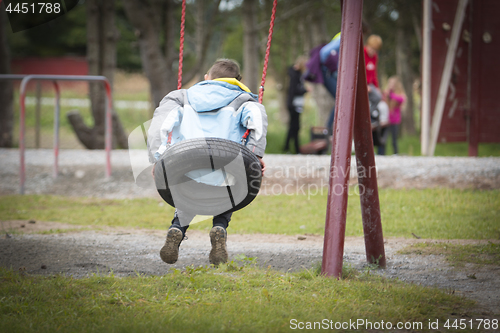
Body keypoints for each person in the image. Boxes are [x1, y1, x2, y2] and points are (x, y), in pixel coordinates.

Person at [147, 59, 268, 265]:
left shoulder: (181, 98)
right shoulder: (244, 101)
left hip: (185, 168)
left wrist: (158, 159)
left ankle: (176, 229)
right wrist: (254, 156)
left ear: (206, 78)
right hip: (226, 170)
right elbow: (257, 119)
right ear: (238, 80)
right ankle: (219, 227)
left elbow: (160, 126)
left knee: (186, 197)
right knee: (230, 192)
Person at [284, 56, 308, 154]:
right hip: (294, 104)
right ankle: (294, 148)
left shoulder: (296, 74)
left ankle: (288, 147)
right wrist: (305, 90)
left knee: (294, 126)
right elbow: (294, 90)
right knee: (295, 126)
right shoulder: (294, 75)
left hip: (295, 103)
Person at [380, 76, 406, 155]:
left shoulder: (398, 94)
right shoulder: (386, 93)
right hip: (386, 120)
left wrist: (391, 94)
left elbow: (401, 99)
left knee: (394, 139)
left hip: (395, 120)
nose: (391, 85)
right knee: (383, 138)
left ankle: (396, 153)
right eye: (390, 83)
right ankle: (381, 154)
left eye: (393, 84)